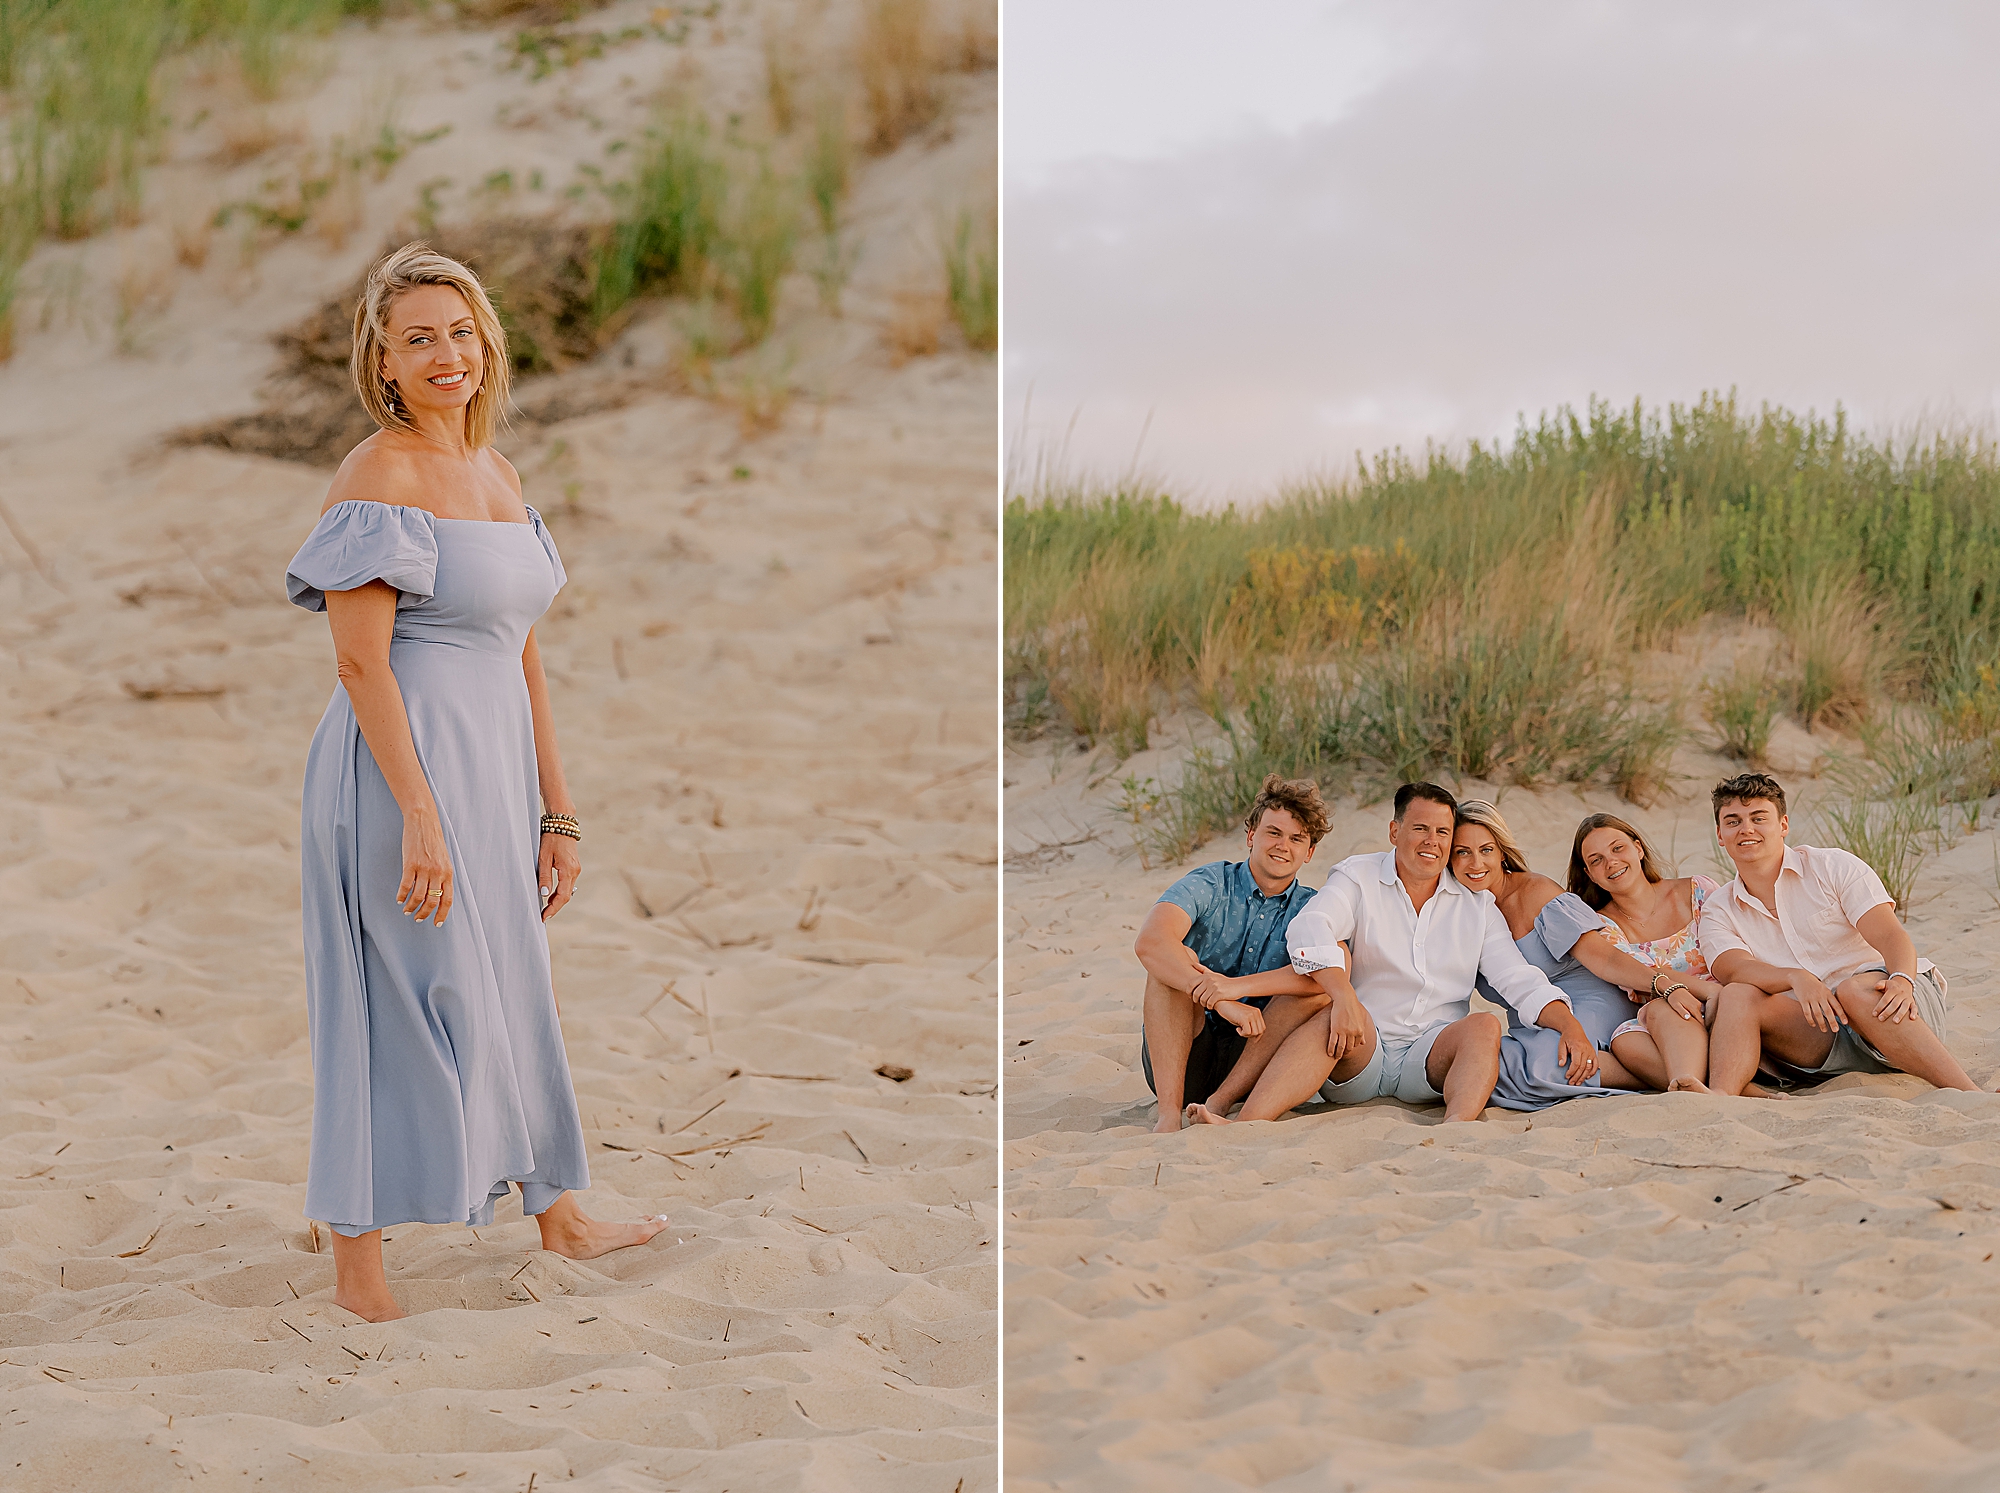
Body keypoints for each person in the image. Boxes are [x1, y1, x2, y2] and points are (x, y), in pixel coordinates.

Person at [286, 243, 666, 1322]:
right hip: (397, 772)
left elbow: (525, 651)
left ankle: (563, 1214)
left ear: (486, 339)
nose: (445, 353)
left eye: (459, 331)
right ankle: (359, 1277)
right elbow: (360, 659)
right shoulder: (380, 474)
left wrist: (558, 809)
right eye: (418, 338)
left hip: (495, 772)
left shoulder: (497, 473)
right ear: (384, 359)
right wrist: (419, 812)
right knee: (394, 1001)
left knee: (514, 987)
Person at [1190, 782, 1578, 1126]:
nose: (1432, 840)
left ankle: (1456, 1130)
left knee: (1485, 1026)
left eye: (1442, 831)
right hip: (1359, 1046)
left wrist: (1568, 1025)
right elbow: (1311, 926)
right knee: (1328, 1007)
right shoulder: (1358, 876)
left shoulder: (1477, 907)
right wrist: (1343, 996)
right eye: (1420, 828)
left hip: (1428, 1059)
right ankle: (1247, 1122)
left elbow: (1517, 978)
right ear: (1395, 831)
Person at [1699, 772, 1980, 1096]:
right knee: (1737, 994)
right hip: (1824, 1033)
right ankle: (1720, 1099)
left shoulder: (1833, 866)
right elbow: (1732, 969)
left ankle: (1969, 1091)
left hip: (1895, 1004)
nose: (1746, 829)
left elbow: (1889, 934)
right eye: (1732, 821)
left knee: (1852, 990)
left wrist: (1903, 979)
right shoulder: (1719, 907)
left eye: (1758, 818)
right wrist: (1796, 978)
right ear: (1720, 835)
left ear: (1783, 825)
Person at [1136, 775, 1330, 1133]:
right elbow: (1150, 941)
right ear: (1251, 835)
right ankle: (1167, 1116)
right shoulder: (1211, 882)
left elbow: (1333, 973)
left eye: (1296, 839)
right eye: (1273, 833)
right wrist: (1220, 1000)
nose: (1283, 846)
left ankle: (1220, 1105)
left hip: (1256, 1063)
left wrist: (1234, 987)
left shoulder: (1313, 907)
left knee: (1314, 993)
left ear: (1310, 852)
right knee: (1166, 972)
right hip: (1184, 1057)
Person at [1451, 800, 1642, 1107]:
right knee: (1483, 1065)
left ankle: (1657, 1077)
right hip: (1533, 1022)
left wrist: (1665, 985)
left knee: (1548, 1064)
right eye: (1463, 852)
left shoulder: (1536, 892)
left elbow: (1605, 958)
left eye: (1486, 850)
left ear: (1501, 851)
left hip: (1592, 1002)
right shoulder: (1460, 914)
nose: (1476, 863)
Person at [1568, 812, 1727, 1094]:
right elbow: (1649, 975)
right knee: (1625, 1040)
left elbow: (1732, 944)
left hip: (1724, 1003)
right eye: (1596, 860)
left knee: (1661, 1011)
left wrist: (1717, 995)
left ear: (1638, 848)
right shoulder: (1601, 926)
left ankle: (1699, 1085)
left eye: (1618, 848)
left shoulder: (1698, 890)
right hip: (1667, 1019)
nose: (1611, 862)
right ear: (1589, 874)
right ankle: (1694, 1086)